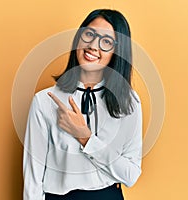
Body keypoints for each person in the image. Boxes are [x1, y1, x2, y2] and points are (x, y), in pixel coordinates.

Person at [23, 9, 142, 200]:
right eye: (89, 34)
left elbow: (131, 175)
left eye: (106, 42)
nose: (93, 46)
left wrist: (85, 137)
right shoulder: (44, 101)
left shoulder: (129, 103)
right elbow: (32, 177)